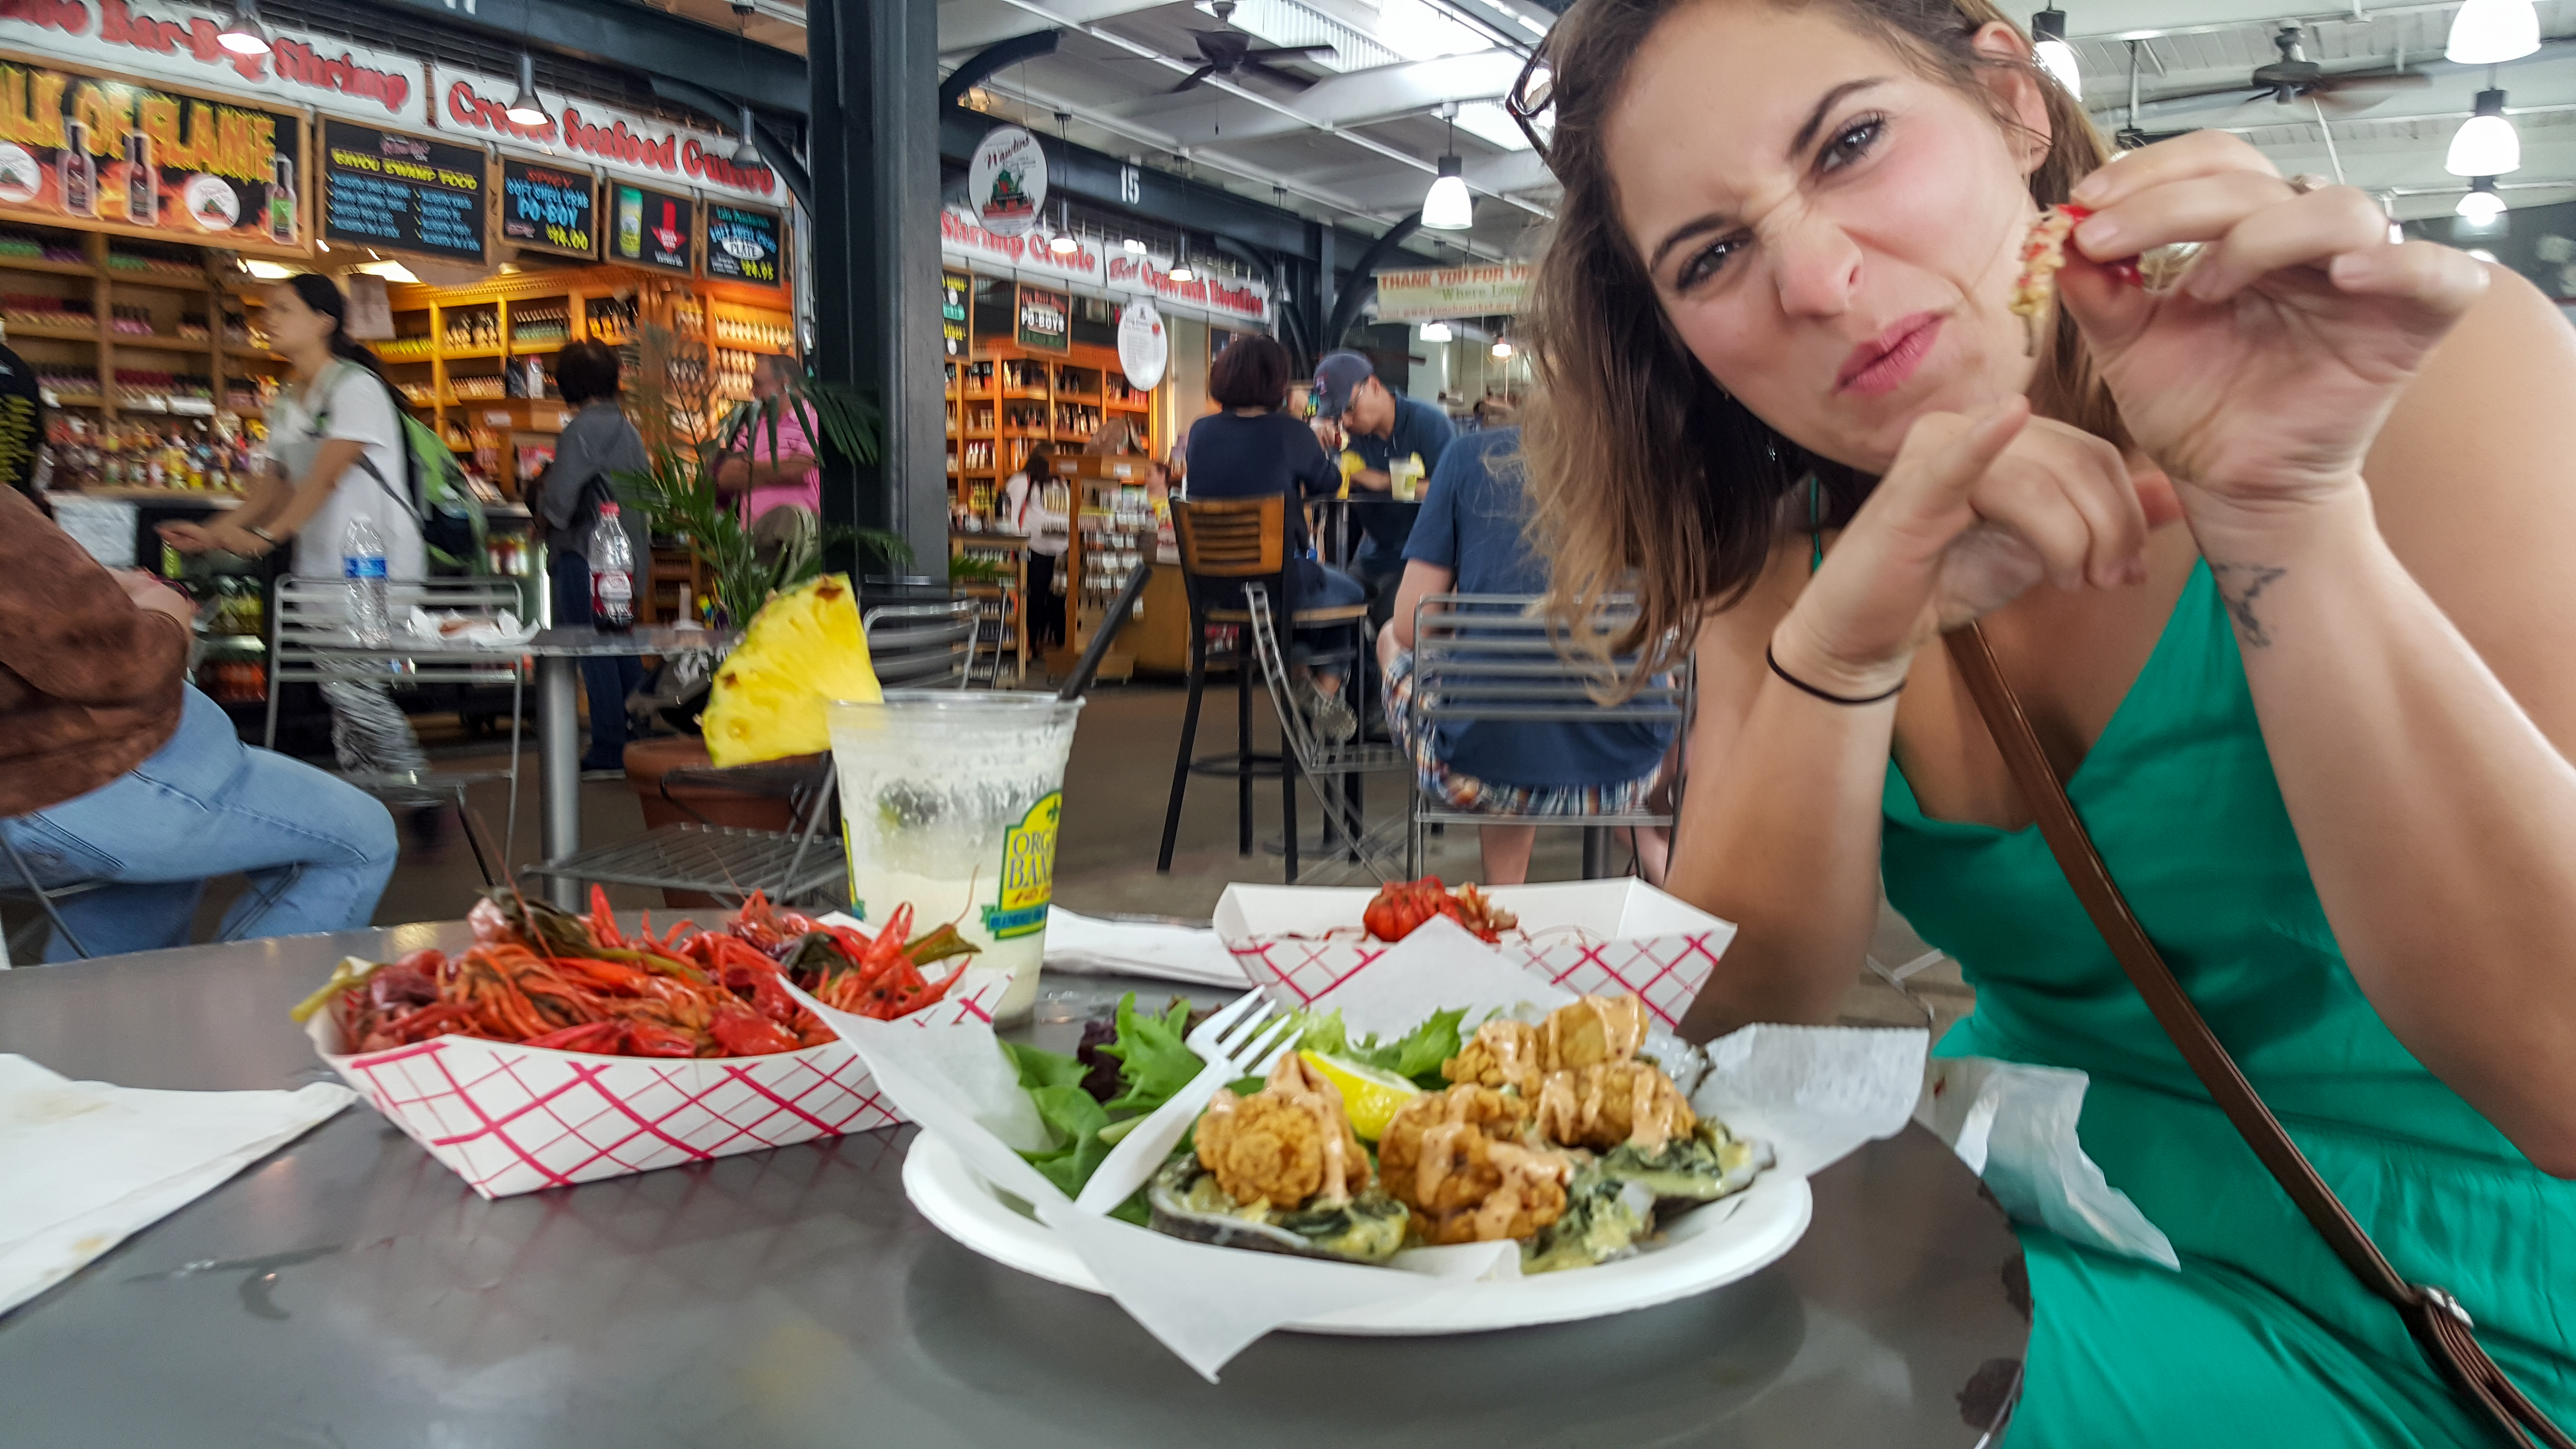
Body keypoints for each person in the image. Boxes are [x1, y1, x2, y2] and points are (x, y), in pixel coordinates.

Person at [1520, 0, 2576, 1443]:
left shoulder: (2424, 378)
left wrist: (2287, 513)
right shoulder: (1781, 570)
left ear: (2011, 96)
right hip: (2027, 1222)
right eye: (1711, 256)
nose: (1817, 280)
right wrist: (1843, 649)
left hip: (2449, 1294)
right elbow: (1736, 1019)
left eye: (1851, 143)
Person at [0, 483, 398, 962]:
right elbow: (123, 663)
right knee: (359, 838)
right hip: (82, 783)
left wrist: (99, 585)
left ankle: (104, 1025)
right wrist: (164, 610)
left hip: (66, 788)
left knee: (126, 956)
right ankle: (245, 1024)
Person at [159, 274, 434, 819]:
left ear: (324, 321)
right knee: (343, 692)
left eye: (283, 309)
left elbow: (324, 478)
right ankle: (375, 804)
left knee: (353, 689)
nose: (269, 320)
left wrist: (264, 537)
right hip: (319, 569)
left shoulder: (356, 388)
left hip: (372, 567)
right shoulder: (287, 399)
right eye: (267, 310)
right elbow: (272, 487)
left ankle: (419, 798)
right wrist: (216, 533)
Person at [1377, 427, 1673, 885]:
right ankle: (1651, 848)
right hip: (1629, 770)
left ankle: (1505, 893)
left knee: (1391, 642)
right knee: (1624, 672)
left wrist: (1479, 612)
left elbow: (1413, 625)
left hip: (1481, 772)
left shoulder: (1468, 456)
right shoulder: (1647, 459)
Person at [1183, 336, 1369, 740]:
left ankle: (1301, 670)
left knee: (1316, 589)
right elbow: (1329, 482)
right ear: (1277, 383)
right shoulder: (1290, 432)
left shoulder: (1200, 432)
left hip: (1215, 589)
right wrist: (1321, 448)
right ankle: (1324, 688)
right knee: (1351, 595)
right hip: (1277, 587)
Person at [538, 340, 652, 776]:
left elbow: (560, 502)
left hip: (586, 555)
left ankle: (608, 744)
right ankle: (636, 730)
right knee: (619, 644)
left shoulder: (580, 431)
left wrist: (542, 518)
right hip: (625, 558)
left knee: (592, 647)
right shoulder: (629, 430)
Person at [1308, 349, 1455, 625]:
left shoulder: (1428, 424)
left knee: (1390, 621)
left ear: (1374, 386)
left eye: (1350, 409)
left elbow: (1450, 493)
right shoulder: (1346, 437)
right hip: (1371, 556)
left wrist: (1383, 481)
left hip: (1421, 560)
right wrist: (1312, 440)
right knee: (1326, 617)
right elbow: (1321, 486)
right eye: (1338, 416)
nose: (1347, 422)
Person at [714, 352, 820, 527]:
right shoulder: (752, 427)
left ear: (784, 384)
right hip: (754, 540)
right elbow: (726, 477)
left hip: (799, 540)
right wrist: (780, 469)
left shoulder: (813, 421)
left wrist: (747, 470)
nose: (752, 392)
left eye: (758, 384)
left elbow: (795, 472)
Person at [998, 442, 1070, 649]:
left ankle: (1062, 646)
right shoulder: (1023, 481)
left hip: (1062, 549)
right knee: (1035, 598)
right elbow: (1010, 515)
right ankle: (1029, 646)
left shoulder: (1061, 483)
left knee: (1058, 599)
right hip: (1034, 549)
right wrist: (1018, 542)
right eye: (1057, 456)